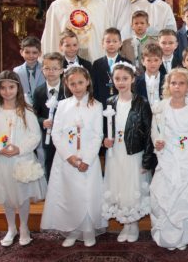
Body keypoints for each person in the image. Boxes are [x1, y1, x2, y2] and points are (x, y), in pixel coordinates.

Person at [41, 66, 107, 248]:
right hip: (66, 160)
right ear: (67, 85)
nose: (77, 87)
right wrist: (69, 157)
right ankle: (72, 229)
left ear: (87, 82)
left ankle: (88, 230)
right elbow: (56, 134)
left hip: (88, 160)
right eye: (72, 83)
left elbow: (97, 136)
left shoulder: (96, 105)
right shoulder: (62, 105)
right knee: (69, 194)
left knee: (87, 194)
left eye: (80, 82)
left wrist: (86, 159)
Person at [0, 70, 46, 247]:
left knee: (22, 195)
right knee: (7, 196)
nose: (7, 91)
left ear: (18, 88)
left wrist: (20, 149)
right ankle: (11, 228)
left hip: (21, 160)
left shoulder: (26, 110)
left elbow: (35, 136)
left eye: (11, 87)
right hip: (0, 160)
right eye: (3, 88)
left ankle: (24, 227)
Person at [150, 68, 188, 251]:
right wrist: (157, 143)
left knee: (186, 197)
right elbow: (156, 130)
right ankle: (167, 236)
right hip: (168, 155)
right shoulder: (161, 106)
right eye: (173, 83)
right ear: (168, 85)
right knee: (164, 195)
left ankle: (184, 236)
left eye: (181, 83)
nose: (177, 87)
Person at [103, 61, 155, 243]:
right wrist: (105, 140)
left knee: (132, 187)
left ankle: (133, 225)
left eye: (125, 78)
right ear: (112, 80)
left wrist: (147, 161)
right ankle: (125, 224)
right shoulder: (110, 102)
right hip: (115, 152)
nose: (121, 82)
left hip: (134, 153)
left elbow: (149, 133)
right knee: (120, 186)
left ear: (133, 79)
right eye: (117, 78)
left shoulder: (141, 103)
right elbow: (106, 129)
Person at [41, 0, 109, 62]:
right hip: (65, 59)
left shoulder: (100, 6)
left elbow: (107, 34)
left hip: (93, 58)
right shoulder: (57, 6)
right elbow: (50, 35)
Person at [32, 52, 66, 182]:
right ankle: (50, 187)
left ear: (61, 70)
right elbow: (35, 114)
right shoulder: (39, 91)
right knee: (49, 161)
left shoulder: (67, 89)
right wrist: (42, 122)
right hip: (48, 136)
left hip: (65, 134)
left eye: (55, 68)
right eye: (47, 68)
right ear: (42, 69)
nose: (51, 72)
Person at [92, 28, 131, 109]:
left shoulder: (126, 63)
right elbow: (94, 86)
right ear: (103, 44)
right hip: (101, 103)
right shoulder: (97, 64)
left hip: (121, 102)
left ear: (120, 44)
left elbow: (130, 86)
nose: (111, 44)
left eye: (115, 41)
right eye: (108, 41)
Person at [13, 36, 45, 105]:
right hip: (23, 106)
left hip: (42, 106)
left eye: (34, 52)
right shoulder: (16, 71)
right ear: (21, 52)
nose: (31, 56)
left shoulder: (45, 69)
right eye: (27, 52)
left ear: (40, 53)